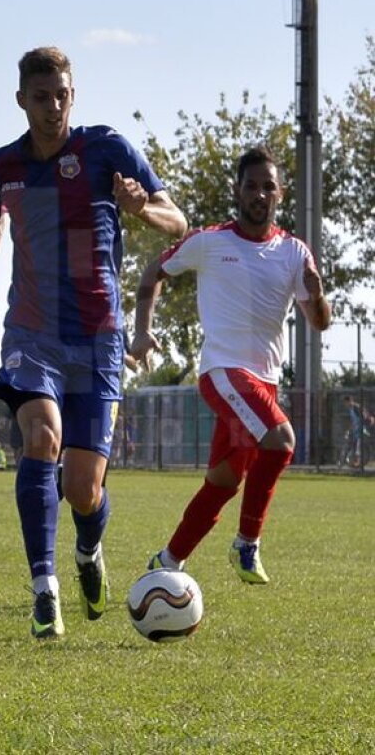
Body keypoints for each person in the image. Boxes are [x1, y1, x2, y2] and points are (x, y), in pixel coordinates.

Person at [0, 47, 188, 639]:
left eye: (63, 94)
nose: (54, 106)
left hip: (97, 337)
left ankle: (89, 552)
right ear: (21, 101)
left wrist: (143, 208)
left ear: (73, 94)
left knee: (85, 490)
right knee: (41, 436)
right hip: (31, 332)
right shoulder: (0, 165)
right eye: (42, 97)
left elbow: (178, 219)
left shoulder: (105, 149)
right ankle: (44, 588)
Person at [134, 146, 331, 585]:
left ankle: (166, 562)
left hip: (264, 383)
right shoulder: (209, 242)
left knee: (223, 482)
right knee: (280, 441)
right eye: (251, 185)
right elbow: (152, 273)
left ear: (279, 193)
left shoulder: (295, 253)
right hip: (223, 374)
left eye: (268, 186)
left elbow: (318, 323)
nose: (259, 194)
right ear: (237, 191)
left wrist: (317, 295)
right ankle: (247, 543)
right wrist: (141, 331)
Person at [339, 395, 370, 468]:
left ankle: (358, 462)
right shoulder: (351, 409)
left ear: (349, 401)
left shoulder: (356, 407)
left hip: (360, 429)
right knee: (351, 444)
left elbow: (363, 415)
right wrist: (349, 429)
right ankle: (348, 461)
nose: (345, 404)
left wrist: (366, 420)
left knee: (358, 445)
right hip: (355, 429)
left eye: (345, 402)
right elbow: (353, 421)